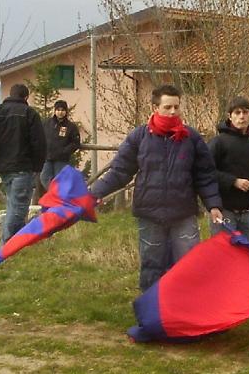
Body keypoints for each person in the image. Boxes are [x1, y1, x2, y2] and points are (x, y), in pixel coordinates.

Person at [90, 84, 223, 291]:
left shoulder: (192, 138)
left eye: (176, 107)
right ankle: (152, 311)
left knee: (189, 265)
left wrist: (213, 205)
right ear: (155, 108)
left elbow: (205, 175)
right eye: (168, 107)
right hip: (150, 214)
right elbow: (120, 171)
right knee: (152, 266)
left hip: (183, 214)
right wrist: (96, 193)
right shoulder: (139, 138)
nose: (173, 112)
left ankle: (187, 312)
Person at [0, 84, 46, 244]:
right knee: (18, 210)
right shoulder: (29, 113)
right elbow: (39, 143)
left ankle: (18, 244)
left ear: (10, 94)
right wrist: (38, 167)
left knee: (14, 205)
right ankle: (5, 248)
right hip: (23, 166)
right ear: (26, 97)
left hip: (2, 167)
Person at [208, 96, 249, 244]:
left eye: (245, 112)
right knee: (223, 258)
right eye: (237, 112)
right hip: (224, 210)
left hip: (248, 212)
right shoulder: (218, 142)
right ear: (230, 116)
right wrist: (233, 181)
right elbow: (207, 172)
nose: (242, 116)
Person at [41, 100, 81, 188]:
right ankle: (54, 195)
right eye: (58, 110)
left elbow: (75, 143)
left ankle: (58, 198)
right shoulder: (47, 124)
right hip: (47, 158)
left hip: (61, 159)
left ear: (66, 111)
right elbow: (40, 137)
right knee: (44, 177)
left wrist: (65, 151)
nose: (60, 112)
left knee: (60, 180)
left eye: (62, 110)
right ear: (55, 111)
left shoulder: (71, 127)